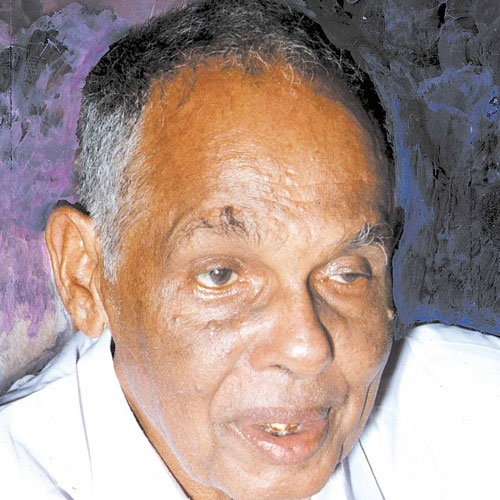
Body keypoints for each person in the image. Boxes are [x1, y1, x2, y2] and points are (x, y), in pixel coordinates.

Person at [1, 1, 499, 499]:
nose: (306, 348)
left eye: (348, 272)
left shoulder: (474, 420)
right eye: (221, 275)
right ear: (86, 275)